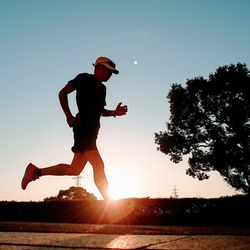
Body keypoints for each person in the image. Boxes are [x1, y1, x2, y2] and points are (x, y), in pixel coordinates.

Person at [21, 56, 128, 201]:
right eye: (109, 71)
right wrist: (69, 116)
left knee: (74, 169)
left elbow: (99, 111)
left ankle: (35, 172)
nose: (110, 75)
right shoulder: (84, 78)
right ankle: (110, 206)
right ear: (99, 68)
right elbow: (62, 93)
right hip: (82, 127)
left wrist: (114, 113)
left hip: (93, 131)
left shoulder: (103, 89)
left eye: (112, 73)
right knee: (99, 165)